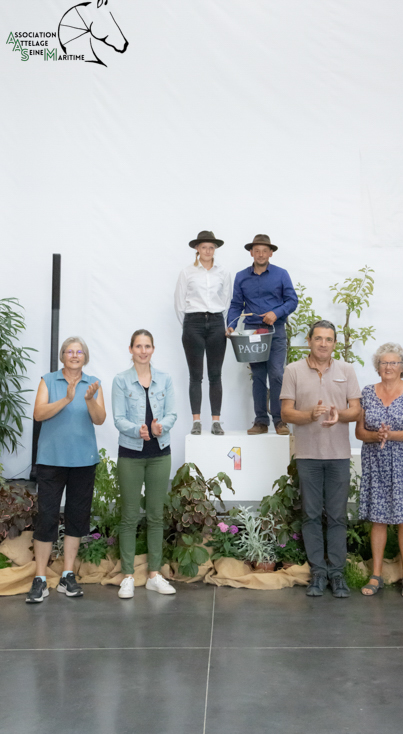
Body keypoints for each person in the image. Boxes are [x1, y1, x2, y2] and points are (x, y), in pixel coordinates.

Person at [280, 320, 362, 597]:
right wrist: (309, 415)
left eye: (328, 339)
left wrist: (340, 414)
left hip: (339, 455)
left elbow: (356, 410)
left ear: (335, 343)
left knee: (337, 516)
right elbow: (286, 413)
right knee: (311, 515)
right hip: (308, 456)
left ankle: (337, 574)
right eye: (318, 338)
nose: (323, 344)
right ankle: (317, 573)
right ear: (309, 340)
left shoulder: (346, 370)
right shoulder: (293, 370)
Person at [26, 337, 106, 604]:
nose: (74, 355)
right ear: (62, 356)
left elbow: (100, 419)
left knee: (76, 518)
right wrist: (67, 399)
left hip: (83, 461)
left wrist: (89, 399)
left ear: (85, 356)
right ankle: (39, 578)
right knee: (47, 516)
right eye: (69, 351)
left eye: (79, 351)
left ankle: (67, 575)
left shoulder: (93, 383)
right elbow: (38, 413)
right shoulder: (48, 381)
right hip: (51, 461)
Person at [355, 343, 403, 598]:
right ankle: (376, 575)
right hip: (375, 462)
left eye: (394, 363)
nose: (388, 367)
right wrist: (377, 436)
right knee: (378, 519)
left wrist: (389, 435)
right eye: (384, 362)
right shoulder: (367, 392)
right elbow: (360, 432)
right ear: (377, 367)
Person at [112, 330, 178, 599]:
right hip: (131, 453)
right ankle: (128, 576)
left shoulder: (165, 379)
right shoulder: (121, 380)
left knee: (155, 516)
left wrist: (162, 427)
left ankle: (154, 575)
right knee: (129, 516)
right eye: (138, 346)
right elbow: (118, 418)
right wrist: (135, 430)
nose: (143, 351)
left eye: (147, 346)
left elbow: (172, 413)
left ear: (153, 349)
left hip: (160, 453)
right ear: (131, 349)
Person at [227, 234, 298, 435]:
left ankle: (279, 420)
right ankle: (260, 421)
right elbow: (236, 304)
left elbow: (292, 300)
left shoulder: (281, 274)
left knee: (277, 374)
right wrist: (231, 325)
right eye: (256, 250)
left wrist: (276, 313)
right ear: (251, 252)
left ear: (271, 253)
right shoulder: (241, 276)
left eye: (264, 251)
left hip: (275, 331)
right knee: (258, 376)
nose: (260, 254)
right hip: (252, 333)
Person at [174, 231, 232, 436]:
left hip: (216, 322)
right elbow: (179, 303)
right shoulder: (187, 272)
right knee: (195, 375)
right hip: (193, 323)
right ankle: (196, 421)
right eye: (204, 247)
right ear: (197, 249)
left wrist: (219, 321)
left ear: (215, 249)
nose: (207, 251)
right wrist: (189, 325)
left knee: (215, 374)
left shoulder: (223, 272)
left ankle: (216, 421)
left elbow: (226, 300)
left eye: (211, 247)